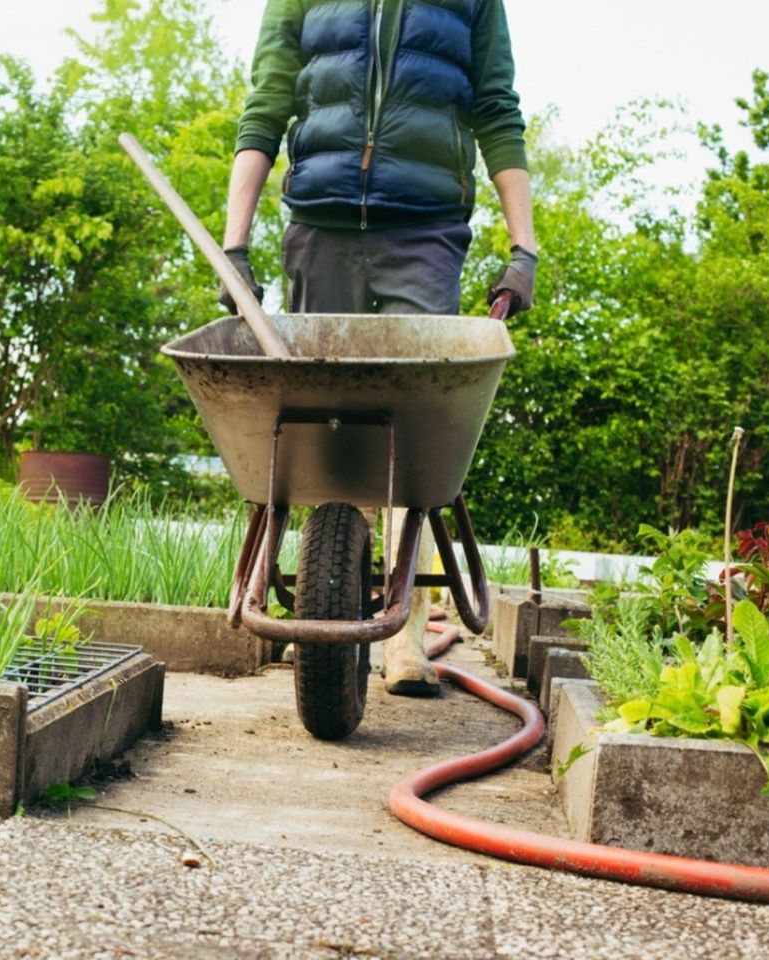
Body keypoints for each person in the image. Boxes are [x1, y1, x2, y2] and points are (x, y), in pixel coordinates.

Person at [220, 0, 537, 697]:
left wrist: (525, 249)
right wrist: (234, 243)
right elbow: (267, 103)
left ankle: (407, 633)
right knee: (318, 425)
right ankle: (322, 612)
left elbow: (496, 110)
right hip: (320, 220)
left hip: (424, 231)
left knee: (412, 426)